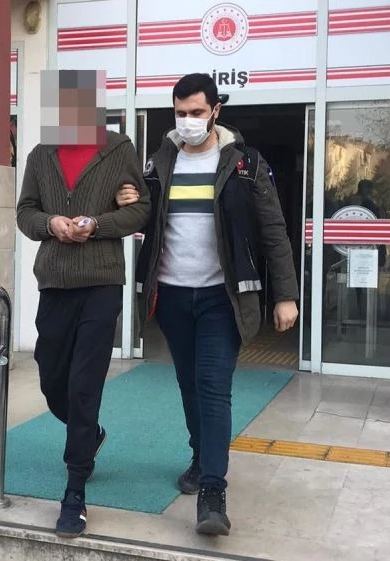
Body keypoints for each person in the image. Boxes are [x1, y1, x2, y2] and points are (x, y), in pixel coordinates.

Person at [116, 73, 299, 536]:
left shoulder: (245, 164)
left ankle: (213, 493)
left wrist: (286, 295)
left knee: (214, 387)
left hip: (223, 295)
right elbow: (144, 218)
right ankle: (201, 458)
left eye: (197, 112)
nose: (188, 121)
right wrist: (127, 200)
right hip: (172, 295)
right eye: (180, 113)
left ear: (216, 111)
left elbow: (274, 230)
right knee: (189, 384)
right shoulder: (159, 162)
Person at [16, 69, 151, 539]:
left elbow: (140, 208)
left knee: (83, 385)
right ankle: (89, 434)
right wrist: (50, 223)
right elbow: (25, 212)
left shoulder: (119, 149)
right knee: (52, 378)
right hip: (55, 281)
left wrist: (97, 224)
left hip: (101, 282)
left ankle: (75, 491)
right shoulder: (41, 154)